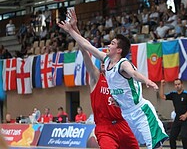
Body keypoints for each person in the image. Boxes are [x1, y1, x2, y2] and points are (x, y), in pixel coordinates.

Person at [58, 9, 168, 149]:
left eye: (112, 43)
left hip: (133, 116)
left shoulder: (122, 64)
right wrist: (72, 30)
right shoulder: (102, 68)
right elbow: (86, 47)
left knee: (155, 145)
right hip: (118, 120)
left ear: (119, 50)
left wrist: (147, 80)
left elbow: (133, 73)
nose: (108, 45)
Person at [67, 10, 139, 148]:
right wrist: (74, 28)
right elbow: (84, 50)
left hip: (121, 124)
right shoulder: (96, 77)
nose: (103, 64)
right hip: (104, 127)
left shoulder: (119, 76)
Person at [159, 79, 187, 149]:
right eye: (176, 85)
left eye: (178, 84)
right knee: (172, 137)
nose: (177, 86)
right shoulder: (173, 94)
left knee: (184, 136)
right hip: (177, 118)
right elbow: (162, 96)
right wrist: (162, 86)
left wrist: (185, 115)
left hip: (186, 118)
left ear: (182, 84)